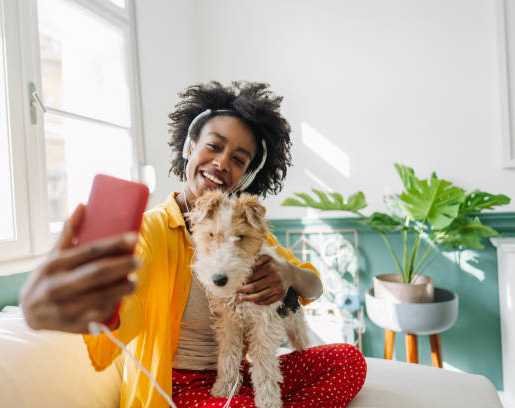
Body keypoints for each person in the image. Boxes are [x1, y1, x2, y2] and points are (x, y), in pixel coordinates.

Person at [20, 81, 367, 407]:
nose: (221, 163)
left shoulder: (248, 229)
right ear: (190, 147)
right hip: (179, 384)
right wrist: (83, 307)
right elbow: (124, 311)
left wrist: (289, 273)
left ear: (247, 175)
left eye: (238, 159)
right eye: (214, 146)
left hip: (238, 376)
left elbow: (314, 285)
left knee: (349, 360)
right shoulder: (151, 230)